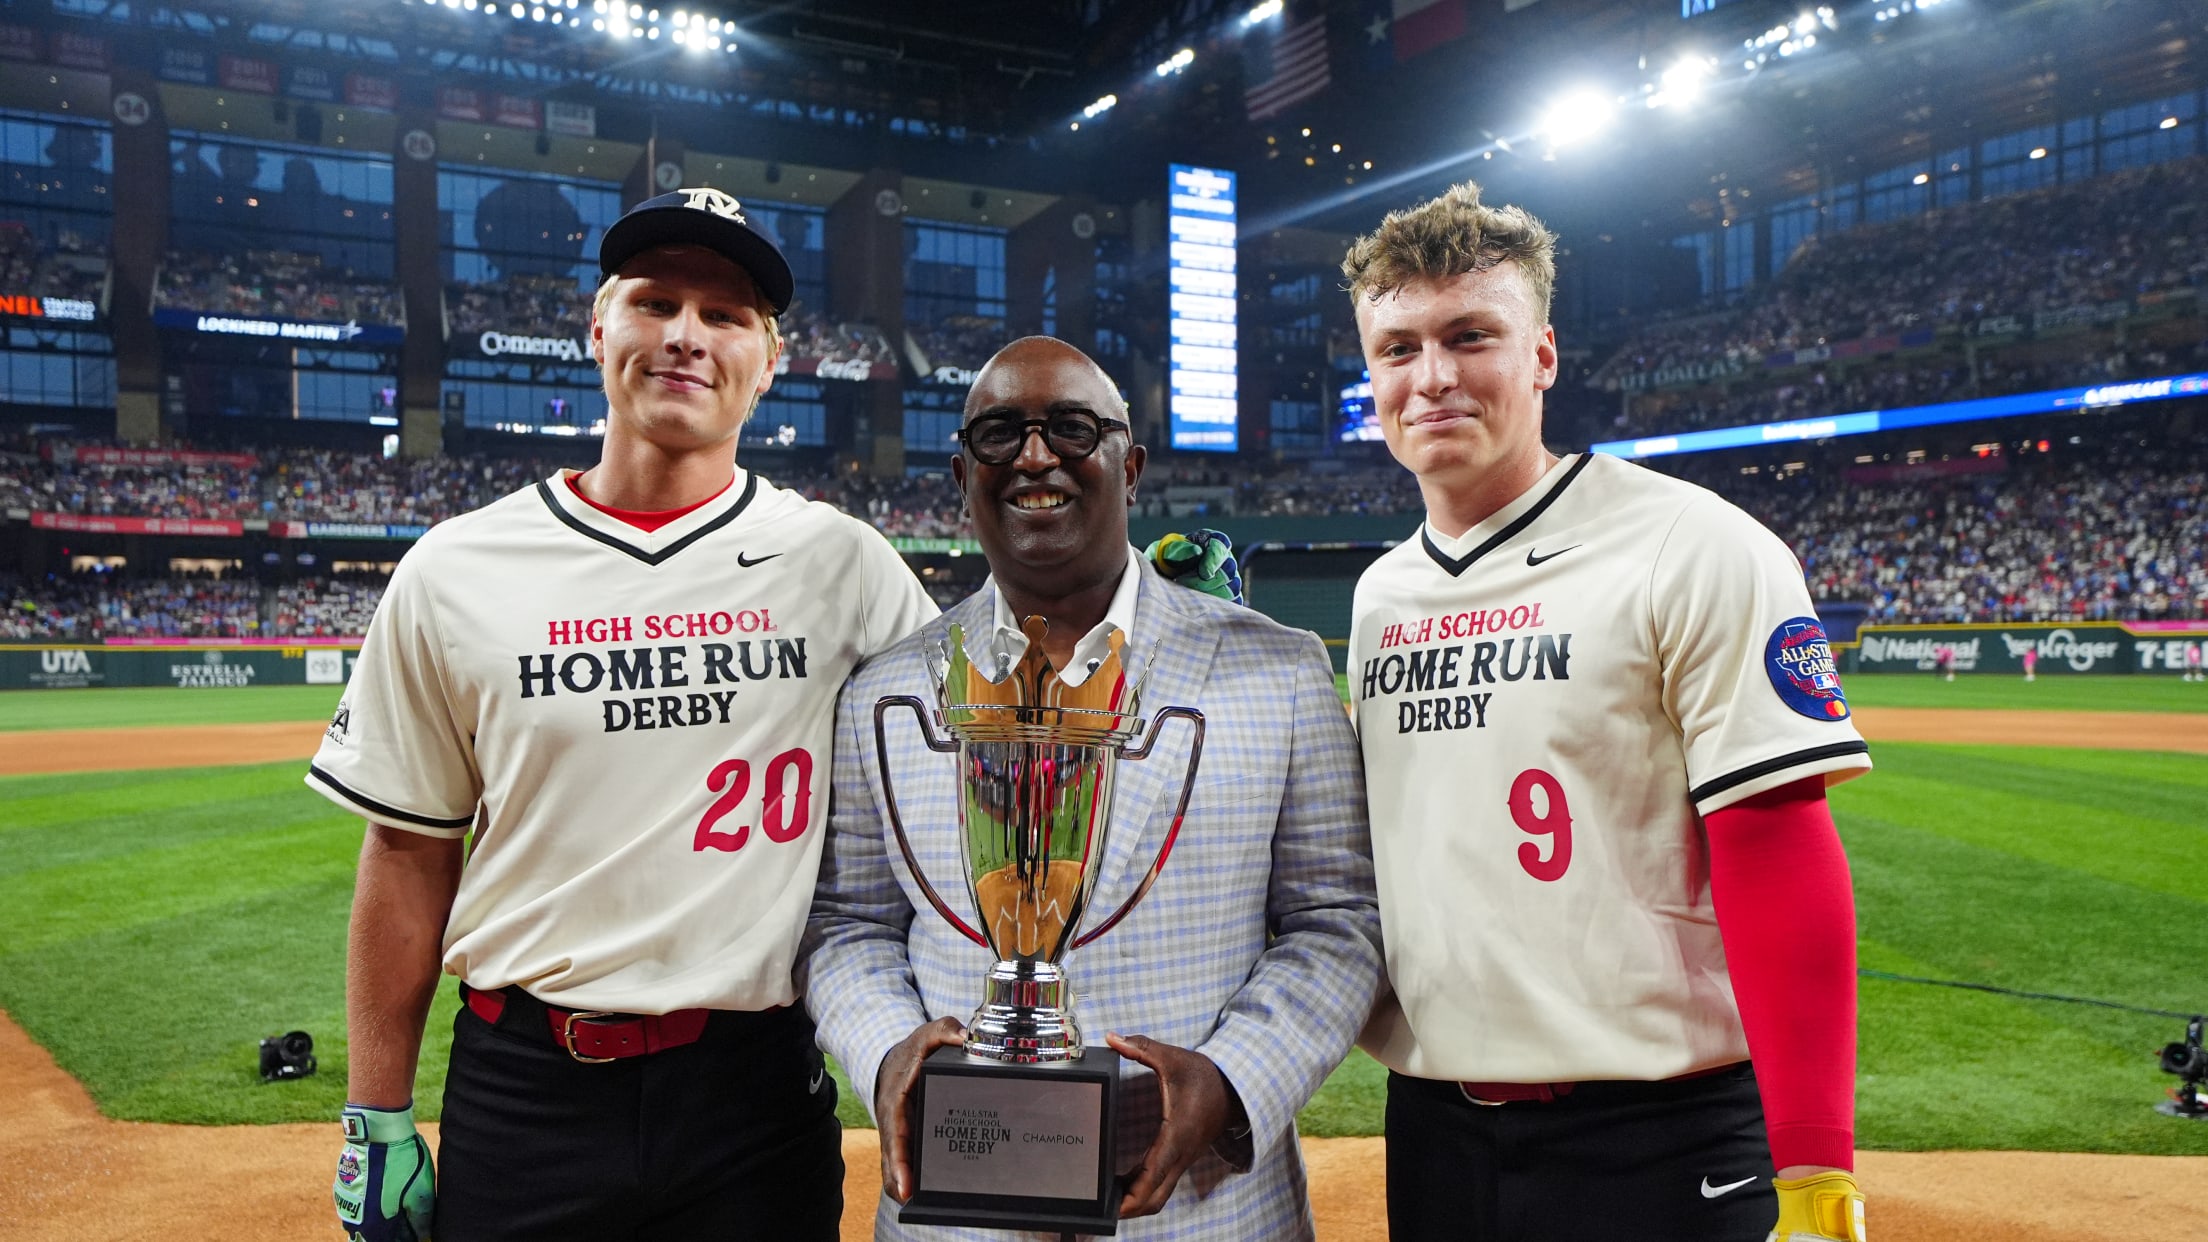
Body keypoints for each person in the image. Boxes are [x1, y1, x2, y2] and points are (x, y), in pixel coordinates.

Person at [311, 187, 938, 1242]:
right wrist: (375, 1115)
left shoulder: (845, 563)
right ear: (599, 330)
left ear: (768, 363)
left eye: (726, 315)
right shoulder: (458, 567)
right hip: (525, 1094)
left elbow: (970, 761)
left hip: (753, 1095)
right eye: (655, 302)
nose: (686, 336)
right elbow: (409, 849)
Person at [1341, 183, 1872, 1242]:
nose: (1433, 376)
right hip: (1436, 1133)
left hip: (1658, 1137)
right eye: (1399, 348)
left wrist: (1815, 1168)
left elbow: (1776, 843)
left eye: (1470, 337)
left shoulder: (1693, 544)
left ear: (1541, 356)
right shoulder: (1383, 592)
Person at [802, 335, 1384, 1240]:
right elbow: (848, 925)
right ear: (962, 476)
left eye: (1072, 428)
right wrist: (885, 1053)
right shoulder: (883, 690)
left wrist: (1233, 1078)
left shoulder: (1279, 669)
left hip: (1205, 1212)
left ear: (1132, 464)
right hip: (955, 1213)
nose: (1035, 456)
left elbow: (1338, 918)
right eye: (999, 435)